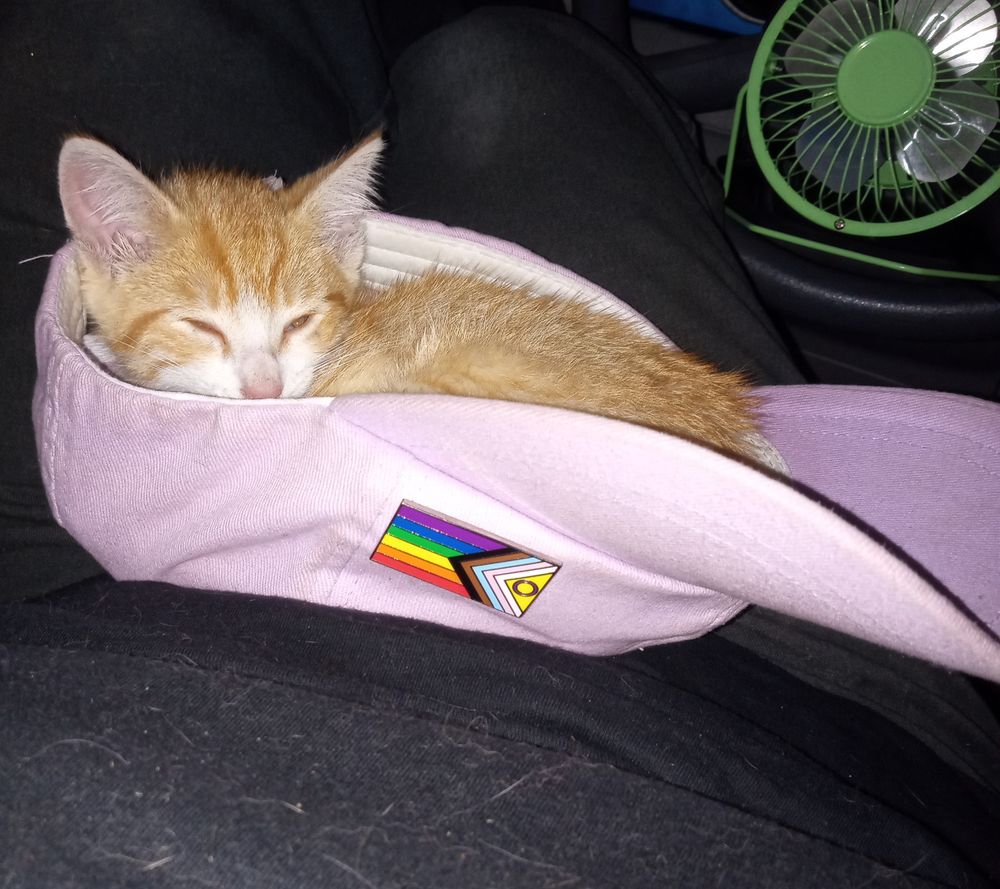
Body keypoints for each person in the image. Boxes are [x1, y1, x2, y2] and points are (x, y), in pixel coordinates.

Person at [1, 3, 997, 886]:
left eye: (288, 334)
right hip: (805, 683)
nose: (262, 379)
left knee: (138, 29)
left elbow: (455, 539)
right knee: (504, 60)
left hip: (124, 612)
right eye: (214, 338)